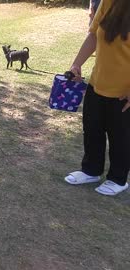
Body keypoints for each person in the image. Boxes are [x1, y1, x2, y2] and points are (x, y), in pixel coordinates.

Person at [64, 0, 130, 196]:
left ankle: (118, 179)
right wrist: (75, 64)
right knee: (92, 130)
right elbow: (94, 35)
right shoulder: (109, 2)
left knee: (121, 138)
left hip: (123, 93)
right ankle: (91, 170)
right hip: (97, 83)